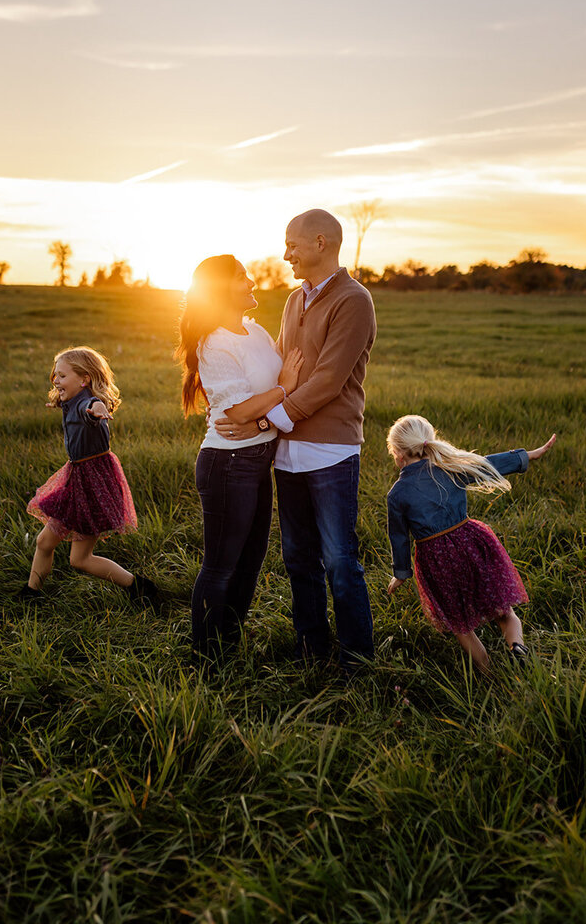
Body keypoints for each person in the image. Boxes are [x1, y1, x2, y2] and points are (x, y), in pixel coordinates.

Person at [216, 209, 377, 674]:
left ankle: (357, 660)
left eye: (292, 245)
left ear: (321, 243)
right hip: (288, 453)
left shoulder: (354, 300)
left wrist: (265, 423)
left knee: (340, 561)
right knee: (298, 559)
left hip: (331, 451)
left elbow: (328, 379)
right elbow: (285, 367)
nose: (285, 254)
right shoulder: (292, 300)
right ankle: (312, 648)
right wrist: (265, 418)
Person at [176, 255, 303, 664]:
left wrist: (264, 423)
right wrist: (283, 391)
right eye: (242, 277)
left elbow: (253, 414)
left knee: (250, 562)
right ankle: (203, 656)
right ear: (221, 289)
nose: (252, 282)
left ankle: (227, 646)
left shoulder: (255, 331)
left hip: (258, 459)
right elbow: (239, 412)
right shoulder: (214, 342)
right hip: (227, 464)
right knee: (221, 564)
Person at [385, 414, 556, 671]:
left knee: (461, 626)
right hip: (472, 543)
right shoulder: (452, 468)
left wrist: (401, 574)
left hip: (437, 559)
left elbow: (399, 538)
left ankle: (488, 676)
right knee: (504, 613)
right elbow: (488, 464)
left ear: (398, 454)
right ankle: (516, 646)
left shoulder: (397, 494)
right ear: (429, 443)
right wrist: (528, 455)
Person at [20, 346, 157, 605]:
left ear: (84, 380)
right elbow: (72, 403)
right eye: (55, 375)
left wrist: (97, 409)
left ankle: (139, 586)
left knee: (80, 560)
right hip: (76, 479)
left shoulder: (88, 403)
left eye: (61, 376)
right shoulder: (72, 400)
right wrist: (61, 398)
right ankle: (31, 594)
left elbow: (91, 406)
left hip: (93, 484)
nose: (55, 380)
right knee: (45, 542)